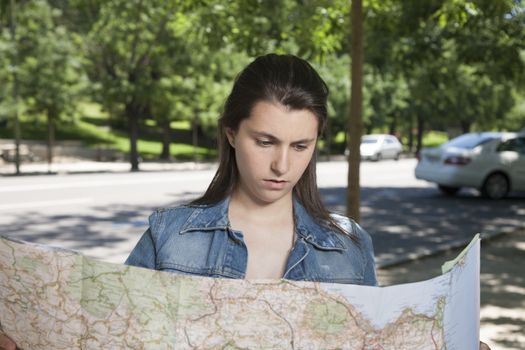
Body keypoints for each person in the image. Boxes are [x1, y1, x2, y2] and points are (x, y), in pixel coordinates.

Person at [0, 53, 490, 349]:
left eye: (301, 146)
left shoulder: (350, 246)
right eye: (265, 142)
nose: (282, 166)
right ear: (231, 133)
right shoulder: (170, 236)